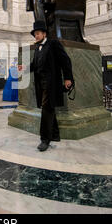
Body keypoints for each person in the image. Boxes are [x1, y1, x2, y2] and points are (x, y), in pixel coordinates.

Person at [19, 21, 73, 152]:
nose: (36, 36)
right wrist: (24, 68)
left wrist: (68, 78)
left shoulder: (53, 44)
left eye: (38, 33)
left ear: (44, 34)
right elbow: (35, 65)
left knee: (46, 109)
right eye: (35, 34)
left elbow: (65, 60)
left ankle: (45, 139)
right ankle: (54, 134)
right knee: (48, 108)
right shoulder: (38, 48)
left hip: (51, 84)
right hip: (40, 84)